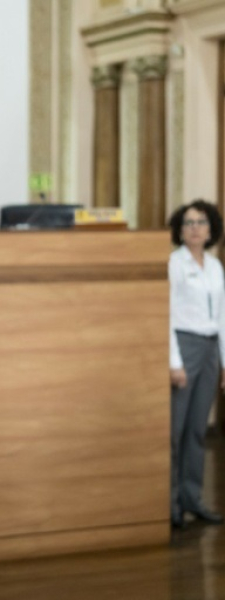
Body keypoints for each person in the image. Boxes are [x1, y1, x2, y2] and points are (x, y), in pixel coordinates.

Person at [168, 199, 225, 528]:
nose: (194, 228)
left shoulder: (216, 267)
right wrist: (174, 362)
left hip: (209, 349)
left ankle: (193, 498)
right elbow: (169, 315)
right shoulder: (174, 264)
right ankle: (172, 504)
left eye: (201, 222)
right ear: (180, 229)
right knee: (175, 431)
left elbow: (222, 318)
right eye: (188, 222)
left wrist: (223, 362)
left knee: (197, 431)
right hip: (184, 346)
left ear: (211, 228)